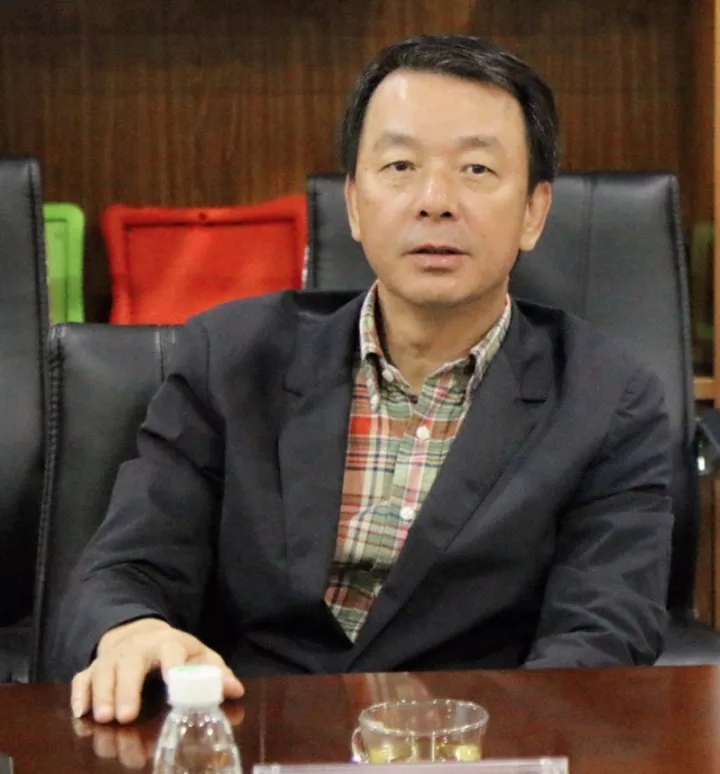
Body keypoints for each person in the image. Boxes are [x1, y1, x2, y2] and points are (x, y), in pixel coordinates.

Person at [50, 34, 673, 725]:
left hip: (474, 743)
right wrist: (131, 628)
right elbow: (128, 567)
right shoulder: (230, 358)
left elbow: (601, 634)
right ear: (353, 203)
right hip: (253, 735)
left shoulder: (609, 398)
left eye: (476, 169)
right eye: (400, 165)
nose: (435, 201)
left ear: (534, 211)